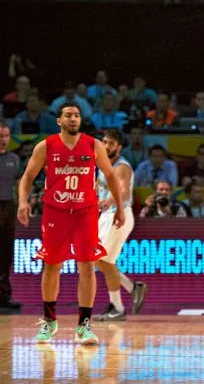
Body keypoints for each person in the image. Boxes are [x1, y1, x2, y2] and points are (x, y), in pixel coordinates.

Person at [17, 102, 126, 344]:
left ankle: (83, 326)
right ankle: (49, 320)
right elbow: (27, 177)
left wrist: (120, 207)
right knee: (52, 265)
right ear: (59, 121)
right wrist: (23, 202)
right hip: (56, 212)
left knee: (87, 266)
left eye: (76, 115)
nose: (73, 119)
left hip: (85, 213)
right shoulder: (46, 146)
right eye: (68, 115)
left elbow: (110, 175)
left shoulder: (93, 144)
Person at [92, 129, 148, 321]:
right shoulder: (102, 165)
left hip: (118, 215)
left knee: (103, 261)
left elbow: (123, 193)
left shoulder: (121, 166)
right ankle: (132, 288)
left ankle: (117, 307)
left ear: (119, 147)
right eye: (105, 142)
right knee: (99, 260)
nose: (107, 146)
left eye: (111, 143)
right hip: (107, 216)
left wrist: (109, 201)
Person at [0, 120, 22, 309]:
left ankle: (4, 296)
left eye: (6, 136)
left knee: (6, 255)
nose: (3, 140)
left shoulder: (14, 159)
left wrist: (23, 203)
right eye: (0, 136)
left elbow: (19, 185)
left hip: (8, 208)